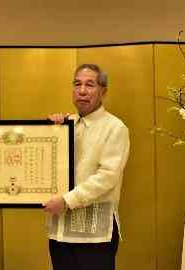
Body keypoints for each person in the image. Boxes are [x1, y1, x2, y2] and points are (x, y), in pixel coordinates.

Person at [43, 64, 130, 270]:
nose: (82, 90)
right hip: (60, 230)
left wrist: (66, 200)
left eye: (90, 85)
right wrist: (48, 133)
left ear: (103, 91)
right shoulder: (65, 124)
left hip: (94, 236)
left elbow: (107, 177)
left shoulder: (115, 127)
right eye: (77, 84)